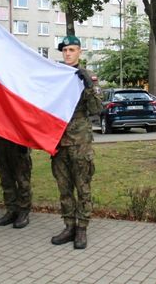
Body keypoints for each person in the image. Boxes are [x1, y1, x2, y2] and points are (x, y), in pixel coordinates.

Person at [50, 35, 102, 249]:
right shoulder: (56, 77)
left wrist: (88, 84)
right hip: (58, 141)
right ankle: (69, 225)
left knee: (83, 187)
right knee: (64, 188)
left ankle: (82, 228)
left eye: (72, 50)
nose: (68, 54)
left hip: (80, 142)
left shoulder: (88, 77)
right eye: (65, 50)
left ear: (80, 52)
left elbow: (97, 110)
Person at [0, 135, 33, 228]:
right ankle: (11, 210)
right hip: (0, 139)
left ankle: (24, 211)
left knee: (22, 180)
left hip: (18, 141)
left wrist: (25, 140)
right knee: (6, 180)